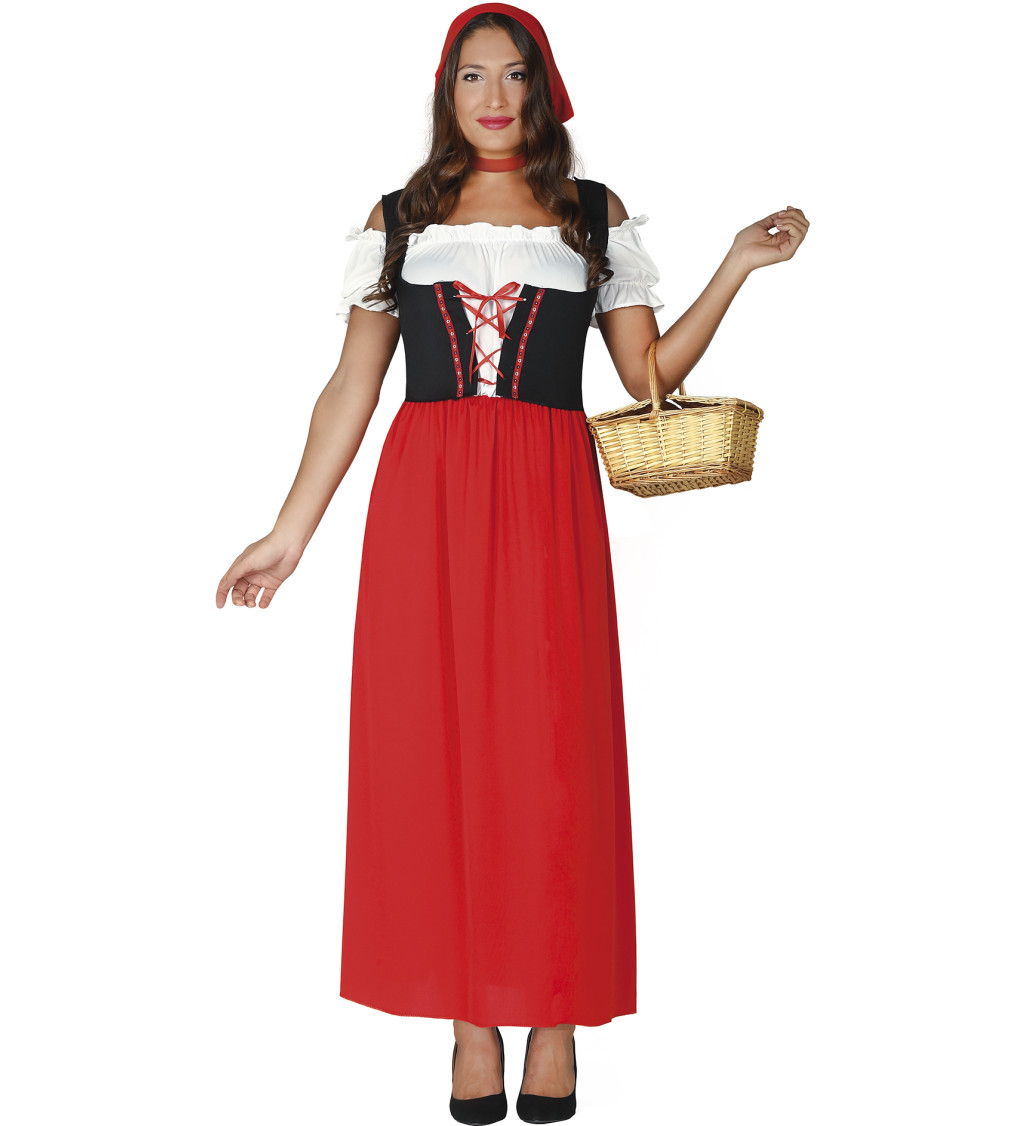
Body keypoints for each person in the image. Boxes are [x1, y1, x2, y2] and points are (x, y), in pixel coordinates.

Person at [215, 4, 808, 1122]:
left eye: (514, 76)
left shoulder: (590, 213)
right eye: (472, 76)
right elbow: (350, 388)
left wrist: (735, 265)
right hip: (424, 497)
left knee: (550, 753)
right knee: (433, 747)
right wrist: (289, 532)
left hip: (545, 491)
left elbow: (646, 374)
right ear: (447, 92)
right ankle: (468, 1019)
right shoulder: (401, 218)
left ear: (543, 89)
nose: (493, 97)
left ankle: (555, 1013)